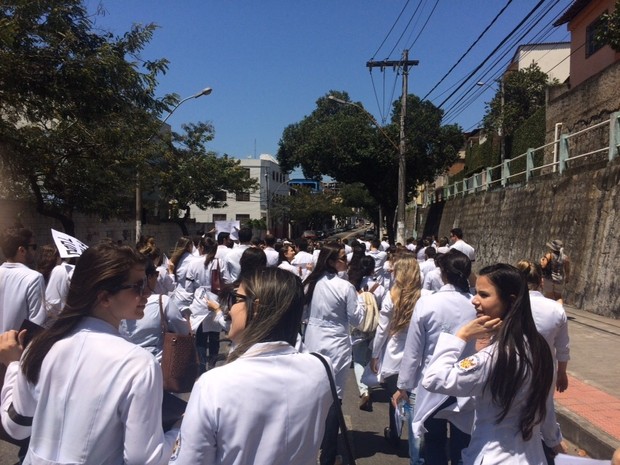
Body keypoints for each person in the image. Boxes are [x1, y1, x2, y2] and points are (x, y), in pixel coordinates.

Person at [0, 241, 178, 464]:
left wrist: (14, 366)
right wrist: (178, 433)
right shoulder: (139, 364)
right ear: (104, 297)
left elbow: (16, 427)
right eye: (138, 287)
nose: (147, 293)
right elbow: (143, 459)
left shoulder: (40, 346)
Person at [169, 268, 333, 464]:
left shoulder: (213, 385)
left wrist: (178, 427)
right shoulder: (322, 368)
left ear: (255, 308)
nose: (230, 309)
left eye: (236, 299)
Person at [422, 263, 561, 464]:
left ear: (510, 301)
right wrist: (555, 442)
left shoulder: (494, 357)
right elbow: (545, 404)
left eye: (484, 295)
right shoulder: (539, 347)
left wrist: (461, 336)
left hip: (492, 455)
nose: (475, 301)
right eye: (476, 293)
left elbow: (434, 379)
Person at [394, 249, 476, 465]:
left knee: (434, 443)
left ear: (442, 273)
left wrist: (404, 384)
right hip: (466, 382)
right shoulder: (475, 303)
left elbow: (413, 351)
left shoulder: (427, 303)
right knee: (463, 444)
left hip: (433, 382)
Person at [303, 242, 365, 465]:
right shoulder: (345, 287)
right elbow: (357, 318)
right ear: (330, 261)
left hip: (312, 339)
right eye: (342, 258)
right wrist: (363, 301)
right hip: (336, 342)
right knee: (334, 397)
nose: (346, 262)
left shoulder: (311, 282)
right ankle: (328, 454)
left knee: (314, 393)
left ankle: (312, 444)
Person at [371, 253, 423, 463]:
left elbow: (382, 330)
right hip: (418, 350)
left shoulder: (392, 296)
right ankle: (416, 440)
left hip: (395, 351)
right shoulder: (425, 295)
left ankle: (395, 432)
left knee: (394, 393)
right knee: (412, 396)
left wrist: (375, 354)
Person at [119, 259, 190, 361]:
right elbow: (182, 330)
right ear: (148, 277)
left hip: (131, 364)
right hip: (161, 364)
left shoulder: (119, 306)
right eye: (156, 274)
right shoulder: (162, 301)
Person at [0, 227, 47, 332]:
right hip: (17, 347)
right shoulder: (34, 278)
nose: (35, 251)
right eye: (34, 247)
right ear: (22, 250)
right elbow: (37, 325)